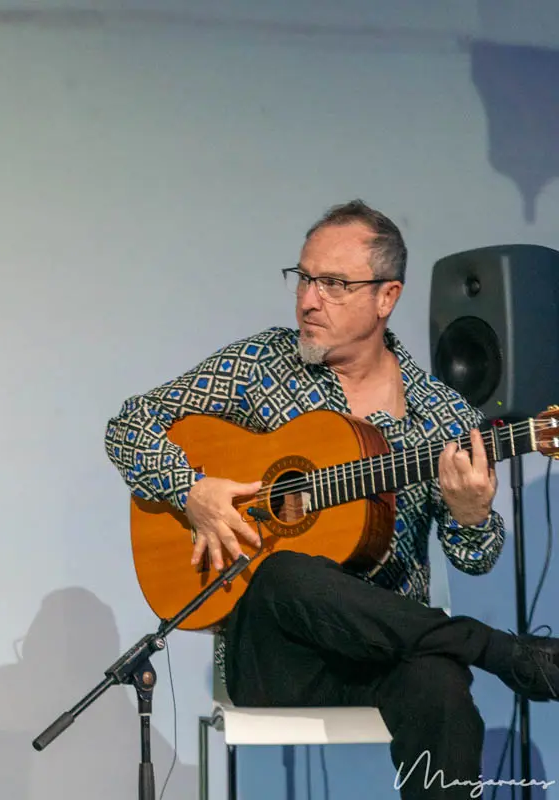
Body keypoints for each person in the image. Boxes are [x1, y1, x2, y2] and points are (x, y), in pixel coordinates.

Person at [104, 200, 559, 799]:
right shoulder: (263, 365)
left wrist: (472, 517)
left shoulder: (442, 416)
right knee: (288, 572)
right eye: (304, 277)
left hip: (389, 652)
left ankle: (472, 652)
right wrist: (190, 490)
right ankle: (499, 651)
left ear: (386, 296)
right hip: (280, 658)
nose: (308, 299)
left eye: (334, 284)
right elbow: (129, 426)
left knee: (441, 689)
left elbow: (475, 557)